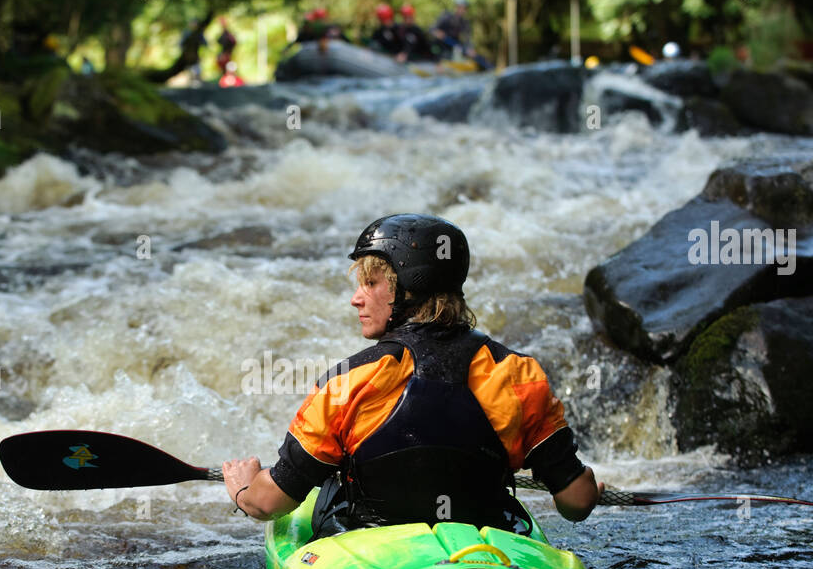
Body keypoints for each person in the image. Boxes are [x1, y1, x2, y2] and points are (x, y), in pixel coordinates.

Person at [222, 214, 601, 534]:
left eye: (370, 283)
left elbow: (268, 503)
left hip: (375, 551)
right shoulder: (518, 372)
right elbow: (576, 502)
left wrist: (243, 489)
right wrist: (589, 486)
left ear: (408, 289)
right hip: (483, 546)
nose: (356, 298)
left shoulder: (348, 380)